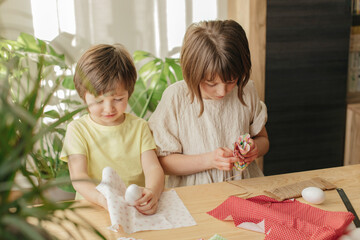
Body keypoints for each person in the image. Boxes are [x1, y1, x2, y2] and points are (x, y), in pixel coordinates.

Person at [148, 20, 269, 188]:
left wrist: (254, 148)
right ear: (192, 73)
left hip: (245, 186)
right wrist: (209, 160)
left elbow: (263, 139)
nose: (222, 91)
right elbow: (163, 162)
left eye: (231, 80)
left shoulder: (246, 91)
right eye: (211, 84)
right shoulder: (176, 98)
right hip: (194, 193)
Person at [60, 44, 164, 215]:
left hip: (134, 208)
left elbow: (153, 168)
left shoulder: (139, 127)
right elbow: (79, 177)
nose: (109, 109)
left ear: (129, 93)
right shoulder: (77, 130)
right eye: (99, 101)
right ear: (83, 95)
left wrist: (152, 191)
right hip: (93, 207)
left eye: (118, 99)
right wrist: (103, 200)